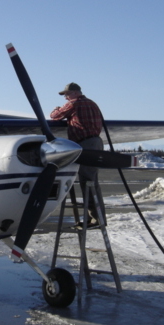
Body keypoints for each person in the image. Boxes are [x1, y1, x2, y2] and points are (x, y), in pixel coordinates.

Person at [50, 83, 104, 228]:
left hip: (84, 144)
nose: (66, 98)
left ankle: (97, 219)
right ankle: (95, 217)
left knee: (87, 182)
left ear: (75, 93)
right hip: (96, 142)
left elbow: (55, 117)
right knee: (92, 181)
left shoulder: (74, 103)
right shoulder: (92, 103)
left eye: (67, 94)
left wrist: (56, 109)